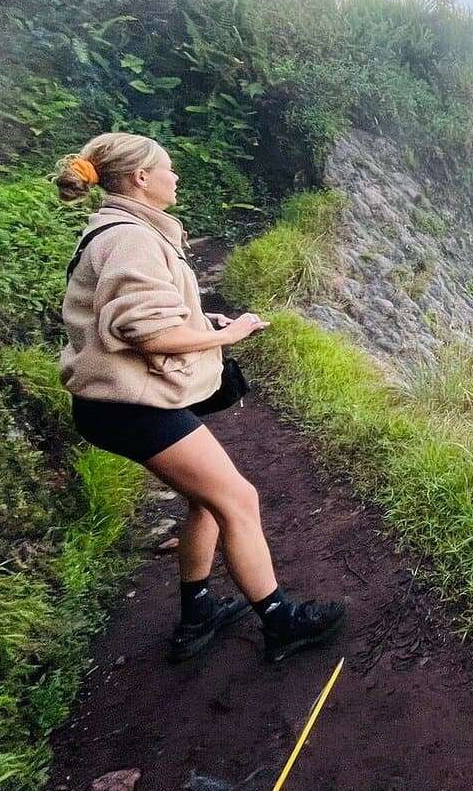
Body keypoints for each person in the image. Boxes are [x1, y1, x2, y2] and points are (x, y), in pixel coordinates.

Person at [54, 132, 344, 663]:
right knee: (238, 499)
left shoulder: (121, 228)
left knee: (205, 501)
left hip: (118, 403)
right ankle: (280, 622)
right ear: (141, 178)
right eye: (168, 168)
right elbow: (146, 332)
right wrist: (229, 334)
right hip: (132, 407)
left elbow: (136, 314)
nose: (176, 177)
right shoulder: (132, 238)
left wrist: (197, 320)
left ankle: (198, 613)